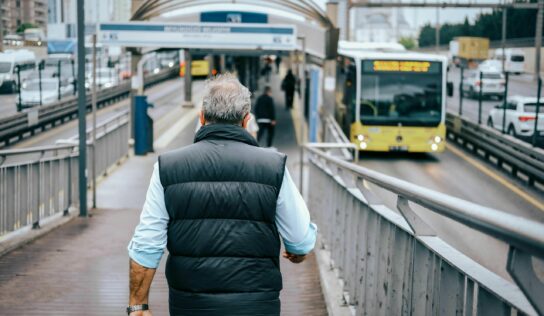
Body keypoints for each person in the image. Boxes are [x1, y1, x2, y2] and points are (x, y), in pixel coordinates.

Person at [127, 74, 316, 316]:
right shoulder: (274, 166)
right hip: (257, 305)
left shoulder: (168, 166)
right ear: (247, 120)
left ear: (202, 117)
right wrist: (297, 253)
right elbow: (300, 239)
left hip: (190, 304)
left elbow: (147, 243)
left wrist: (138, 305)